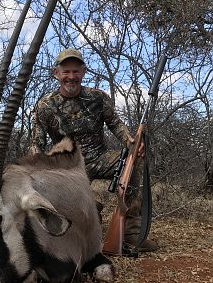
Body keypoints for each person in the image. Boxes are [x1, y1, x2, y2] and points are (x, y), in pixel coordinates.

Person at [31, 48, 158, 252]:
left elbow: (115, 123)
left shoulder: (97, 97)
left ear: (83, 72)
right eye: (66, 72)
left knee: (134, 161)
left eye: (75, 71)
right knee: (71, 217)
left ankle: (132, 233)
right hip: (68, 168)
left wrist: (131, 142)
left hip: (100, 158)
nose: (71, 77)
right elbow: (36, 142)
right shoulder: (45, 105)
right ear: (56, 73)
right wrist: (39, 170)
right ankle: (91, 209)